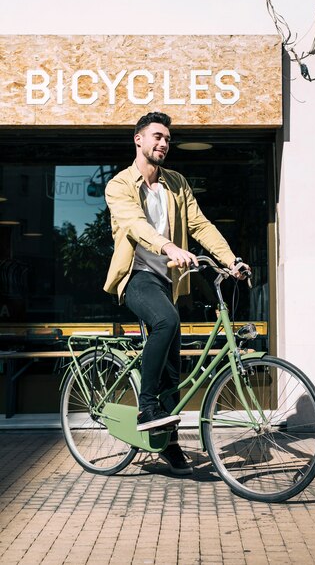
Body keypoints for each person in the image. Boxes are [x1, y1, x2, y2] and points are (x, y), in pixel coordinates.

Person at [103, 111, 249, 475]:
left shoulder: (177, 183)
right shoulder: (119, 185)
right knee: (166, 320)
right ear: (138, 139)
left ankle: (168, 444)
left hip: (167, 282)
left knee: (174, 366)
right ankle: (146, 406)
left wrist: (231, 260)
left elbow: (200, 224)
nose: (163, 144)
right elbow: (135, 225)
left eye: (167, 139)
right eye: (156, 137)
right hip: (135, 275)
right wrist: (168, 247)